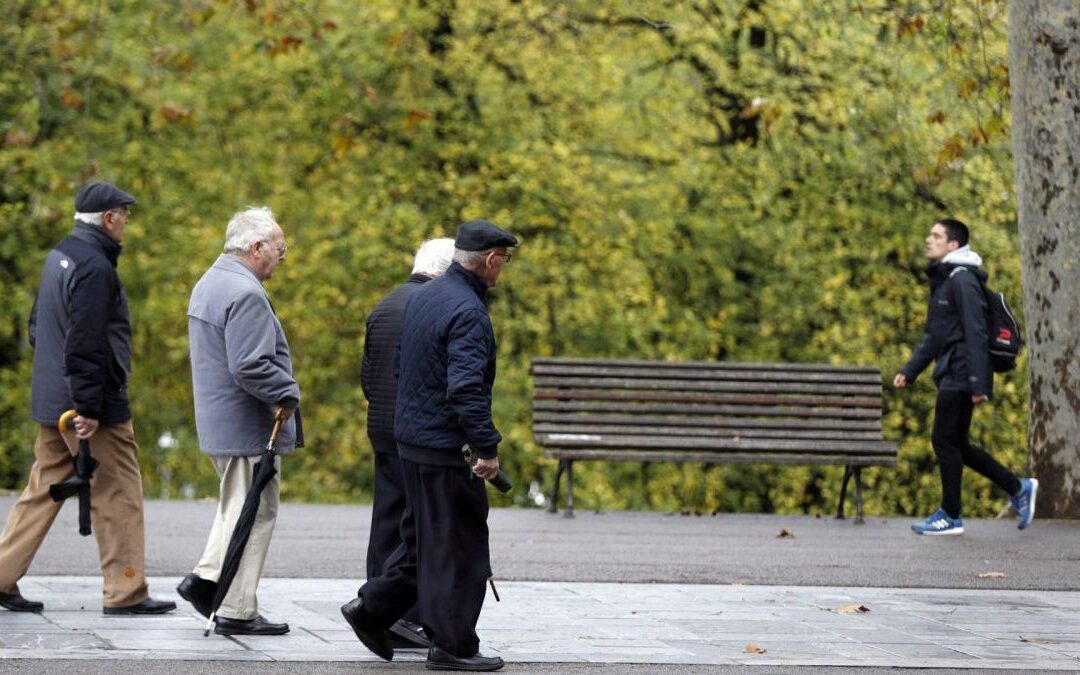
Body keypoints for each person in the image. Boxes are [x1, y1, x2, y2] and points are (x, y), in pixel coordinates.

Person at [341, 220, 516, 672]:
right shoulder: (469, 312)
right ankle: (453, 646)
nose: (504, 269)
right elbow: (465, 390)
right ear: (492, 260)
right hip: (444, 449)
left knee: (421, 544)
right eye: (505, 260)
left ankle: (372, 609)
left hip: (411, 444)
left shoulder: (425, 298)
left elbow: (400, 369)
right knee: (460, 546)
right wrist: (487, 448)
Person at [0, 181, 176, 615]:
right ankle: (126, 590)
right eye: (124, 215)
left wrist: (60, 393)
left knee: (44, 489)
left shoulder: (60, 255)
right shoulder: (96, 268)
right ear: (109, 219)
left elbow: (38, 326)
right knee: (118, 494)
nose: (127, 223)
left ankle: (1, 575)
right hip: (88, 408)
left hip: (53, 399)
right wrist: (90, 408)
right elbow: (86, 342)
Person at [177, 206, 301, 636]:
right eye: (280, 249)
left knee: (238, 507)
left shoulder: (210, 282)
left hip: (220, 421)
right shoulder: (244, 292)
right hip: (246, 425)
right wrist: (287, 392)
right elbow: (249, 366)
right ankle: (232, 604)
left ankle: (211, 583)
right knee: (255, 511)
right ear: (256, 247)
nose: (283, 257)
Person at [894, 218, 1037, 535]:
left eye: (936, 235)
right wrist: (909, 370)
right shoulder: (946, 282)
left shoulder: (962, 280)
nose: (928, 240)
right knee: (957, 443)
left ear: (953, 245)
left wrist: (978, 383)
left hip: (962, 373)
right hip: (954, 370)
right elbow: (934, 337)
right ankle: (1018, 487)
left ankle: (951, 515)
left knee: (943, 439)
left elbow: (976, 331)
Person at [361, 237, 456, 650]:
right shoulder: (430, 308)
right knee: (417, 527)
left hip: (380, 426)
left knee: (386, 522)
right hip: (414, 434)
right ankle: (404, 616)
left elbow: (368, 373)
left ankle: (376, 609)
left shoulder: (385, 304)